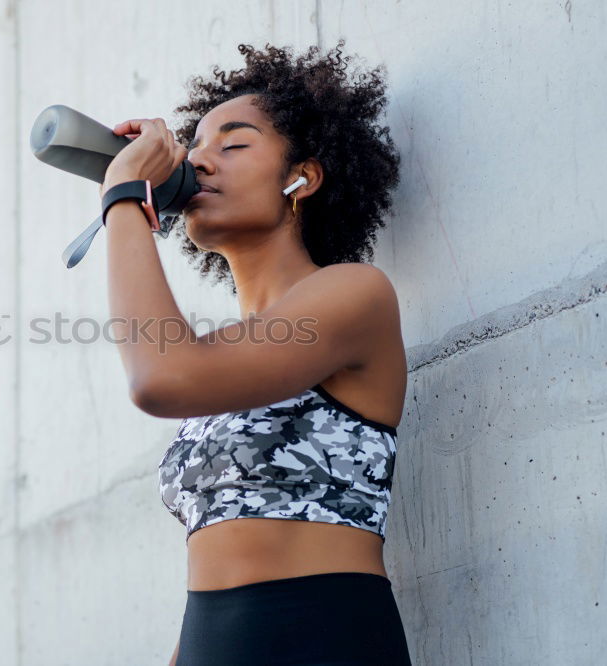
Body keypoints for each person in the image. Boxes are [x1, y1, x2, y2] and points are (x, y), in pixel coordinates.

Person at [99, 40, 412, 666]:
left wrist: (123, 199)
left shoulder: (356, 294)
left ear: (305, 177)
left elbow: (159, 377)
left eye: (234, 144)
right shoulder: (222, 362)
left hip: (321, 638)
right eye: (197, 149)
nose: (200, 163)